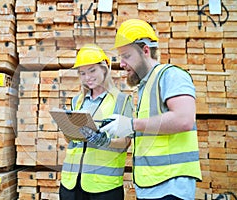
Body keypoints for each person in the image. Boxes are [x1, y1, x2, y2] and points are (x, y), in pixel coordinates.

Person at [99, 19, 202, 200]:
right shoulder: (145, 87)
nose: (121, 64)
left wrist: (131, 124)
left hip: (171, 187)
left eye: (126, 56)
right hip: (151, 187)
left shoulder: (171, 75)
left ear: (145, 51)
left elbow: (184, 119)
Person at [59, 43, 134, 200]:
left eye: (92, 70)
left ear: (105, 68)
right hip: (71, 183)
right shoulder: (76, 101)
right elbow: (71, 142)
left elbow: (126, 142)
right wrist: (67, 128)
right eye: (82, 73)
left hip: (103, 186)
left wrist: (104, 141)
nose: (88, 77)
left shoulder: (121, 100)